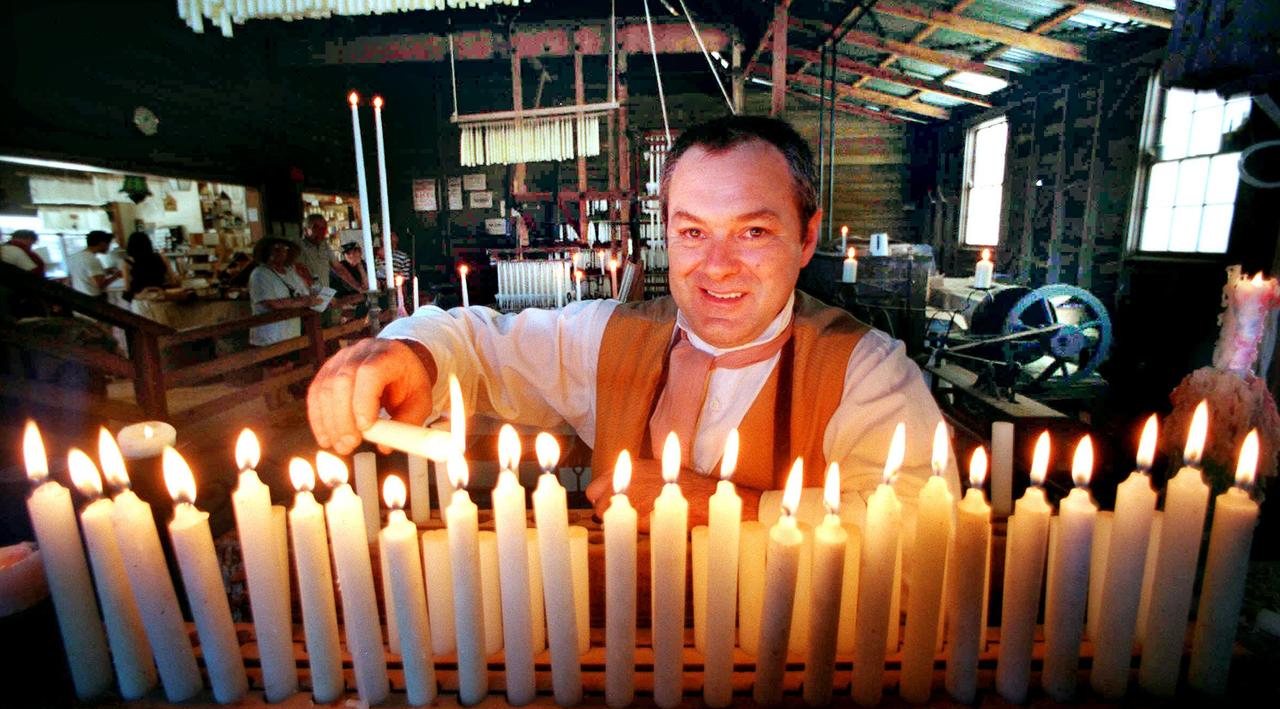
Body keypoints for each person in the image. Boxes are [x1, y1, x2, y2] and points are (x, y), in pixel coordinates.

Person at [305, 115, 958, 531]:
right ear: (664, 233)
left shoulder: (868, 372)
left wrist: (728, 507)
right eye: (693, 231)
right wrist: (407, 355)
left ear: (808, 237)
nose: (718, 266)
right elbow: (479, 344)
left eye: (754, 231)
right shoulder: (612, 337)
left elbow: (923, 531)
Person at [247, 237, 318, 348]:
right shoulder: (260, 274)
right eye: (276, 249)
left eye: (284, 249)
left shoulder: (290, 273)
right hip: (269, 338)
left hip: (291, 334)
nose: (281, 252)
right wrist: (303, 302)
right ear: (267, 251)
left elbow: (306, 292)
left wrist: (307, 278)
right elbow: (271, 303)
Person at [296, 213, 361, 292]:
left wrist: (358, 287)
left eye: (323, 228)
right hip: (307, 296)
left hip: (324, 294)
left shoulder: (324, 245)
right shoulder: (298, 247)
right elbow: (301, 272)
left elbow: (339, 268)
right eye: (315, 227)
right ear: (305, 229)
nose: (320, 231)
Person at [122, 231, 174, 302]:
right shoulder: (162, 257)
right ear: (149, 243)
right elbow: (173, 281)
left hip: (141, 300)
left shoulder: (128, 263)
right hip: (160, 296)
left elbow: (127, 290)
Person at [67, 230, 120, 297]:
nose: (109, 247)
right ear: (102, 243)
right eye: (108, 244)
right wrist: (116, 275)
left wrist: (105, 271)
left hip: (78, 297)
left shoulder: (73, 257)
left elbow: (72, 280)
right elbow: (100, 285)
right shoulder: (92, 259)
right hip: (93, 298)